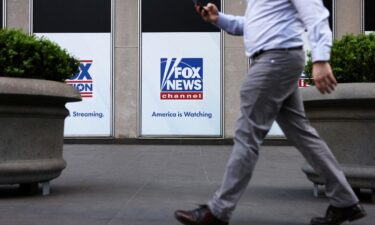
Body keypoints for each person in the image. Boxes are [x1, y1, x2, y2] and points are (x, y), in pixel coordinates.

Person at [174, 1, 367, 225]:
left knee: (247, 135)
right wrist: (219, 19)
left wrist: (321, 58)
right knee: (303, 134)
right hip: (278, 59)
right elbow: (256, 25)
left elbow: (316, 14)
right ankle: (345, 202)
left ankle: (217, 212)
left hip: (274, 61)